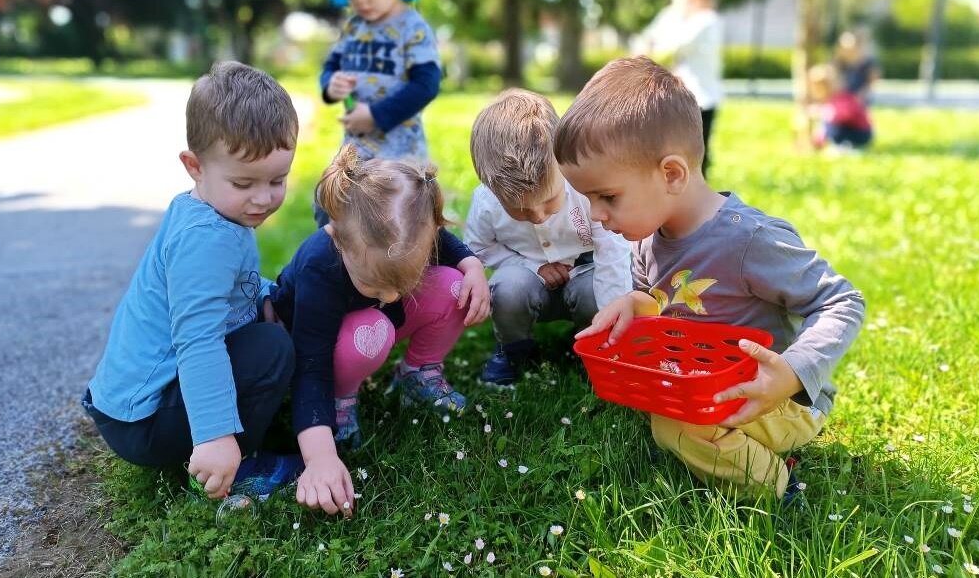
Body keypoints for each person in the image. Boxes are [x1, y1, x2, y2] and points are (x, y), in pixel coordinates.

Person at [554, 56, 865, 501]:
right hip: (706, 379)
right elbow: (656, 298)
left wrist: (791, 374)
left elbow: (842, 302)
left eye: (607, 197)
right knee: (662, 405)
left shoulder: (748, 240)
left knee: (673, 424)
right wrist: (634, 304)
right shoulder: (647, 237)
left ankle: (778, 485)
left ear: (672, 174)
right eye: (588, 198)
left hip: (779, 400)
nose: (596, 215)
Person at [82, 62, 302, 501]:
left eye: (277, 180)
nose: (263, 198)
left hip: (132, 407)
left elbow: (233, 282)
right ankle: (238, 463)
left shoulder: (215, 209)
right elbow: (198, 340)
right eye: (244, 182)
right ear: (194, 165)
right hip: (141, 420)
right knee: (271, 349)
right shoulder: (206, 241)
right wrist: (216, 433)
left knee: (276, 306)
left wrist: (261, 294)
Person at [270, 145, 490, 516]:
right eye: (374, 285)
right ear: (341, 241)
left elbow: (445, 244)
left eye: (402, 281)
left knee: (455, 285)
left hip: (375, 325)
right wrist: (320, 456)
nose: (390, 295)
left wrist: (474, 269)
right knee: (370, 330)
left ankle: (417, 374)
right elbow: (311, 365)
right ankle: (341, 402)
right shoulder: (319, 266)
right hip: (328, 341)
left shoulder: (407, 231)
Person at [464, 89, 632, 387]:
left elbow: (613, 252)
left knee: (596, 293)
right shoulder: (487, 202)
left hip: (585, 272)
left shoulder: (585, 187)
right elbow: (478, 248)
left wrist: (613, 320)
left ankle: (593, 343)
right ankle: (514, 348)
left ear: (561, 163)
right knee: (507, 290)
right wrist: (532, 266)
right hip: (527, 278)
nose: (539, 216)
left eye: (549, 201)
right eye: (520, 210)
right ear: (489, 186)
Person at [314, 0, 442, 227]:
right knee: (327, 207)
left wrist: (374, 115)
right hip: (355, 152)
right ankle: (339, 272)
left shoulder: (412, 28)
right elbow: (330, 66)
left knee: (394, 223)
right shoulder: (354, 27)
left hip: (400, 156)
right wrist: (332, 85)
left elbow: (426, 84)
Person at [637, 0, 723, 177]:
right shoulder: (672, 16)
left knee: (696, 151)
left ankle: (698, 192)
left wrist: (655, 43)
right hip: (676, 98)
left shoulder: (707, 21)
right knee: (671, 147)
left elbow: (670, 45)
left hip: (701, 99)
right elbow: (646, 39)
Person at [808, 63, 874, 151]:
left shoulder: (843, 98)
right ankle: (829, 144)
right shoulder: (828, 101)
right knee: (828, 125)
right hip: (848, 130)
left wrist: (821, 112)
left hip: (860, 132)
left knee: (832, 127)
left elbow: (844, 115)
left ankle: (844, 146)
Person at [833, 29, 880, 105]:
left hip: (861, 98)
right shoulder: (838, 63)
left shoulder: (867, 62)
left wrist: (859, 97)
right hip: (843, 99)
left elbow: (872, 83)